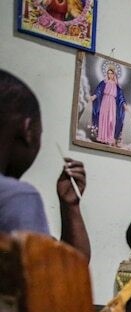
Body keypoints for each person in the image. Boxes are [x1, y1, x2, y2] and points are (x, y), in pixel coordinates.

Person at [0, 69, 90, 261]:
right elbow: (61, 278)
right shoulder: (16, 197)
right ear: (28, 131)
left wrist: (70, 206)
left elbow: (69, 263)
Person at [89, 64, 127, 147]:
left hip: (112, 103)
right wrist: (94, 96)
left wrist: (124, 105)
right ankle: (102, 137)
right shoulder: (104, 82)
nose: (110, 75)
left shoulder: (117, 86)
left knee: (111, 120)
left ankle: (110, 138)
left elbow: (120, 96)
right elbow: (99, 91)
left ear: (114, 74)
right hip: (105, 101)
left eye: (111, 73)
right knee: (104, 118)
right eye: (108, 73)